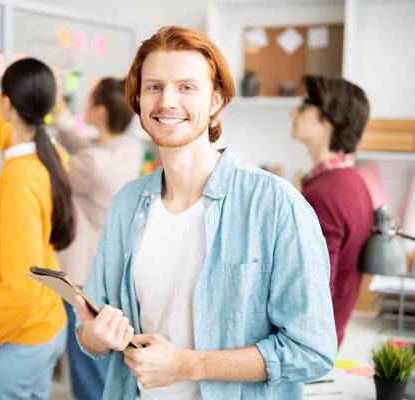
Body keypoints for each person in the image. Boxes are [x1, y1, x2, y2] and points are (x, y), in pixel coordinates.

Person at [72, 26, 337, 400]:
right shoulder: (127, 204)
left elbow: (312, 352)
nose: (167, 101)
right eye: (154, 87)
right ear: (138, 100)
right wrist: (96, 335)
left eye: (186, 87)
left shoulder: (276, 205)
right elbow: (91, 338)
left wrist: (187, 365)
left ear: (216, 100)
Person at [0, 45, 75, 400]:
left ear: (9, 103)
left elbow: (21, 288)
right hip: (46, 326)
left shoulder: (19, 181)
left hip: (15, 340)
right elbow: (6, 135)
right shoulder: (50, 155)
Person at [52, 76, 144, 399]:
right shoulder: (128, 150)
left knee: (87, 368)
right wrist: (60, 112)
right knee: (103, 368)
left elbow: (63, 170)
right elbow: (85, 151)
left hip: (81, 280)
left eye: (90, 100)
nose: (85, 105)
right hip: (108, 273)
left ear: (100, 111)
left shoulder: (92, 163)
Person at [291, 75, 374, 347]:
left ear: (329, 120)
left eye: (304, 106)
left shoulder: (324, 194)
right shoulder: (353, 181)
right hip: (327, 341)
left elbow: (314, 292)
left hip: (309, 348)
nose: (294, 112)